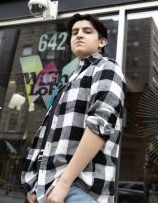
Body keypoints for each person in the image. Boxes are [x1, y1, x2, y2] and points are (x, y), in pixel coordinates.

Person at [21, 13, 126, 203]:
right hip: (48, 189)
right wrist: (36, 185)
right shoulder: (68, 80)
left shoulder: (106, 67)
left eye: (87, 31)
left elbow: (99, 126)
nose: (79, 35)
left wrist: (64, 184)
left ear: (102, 42)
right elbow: (48, 136)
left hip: (80, 190)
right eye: (75, 32)